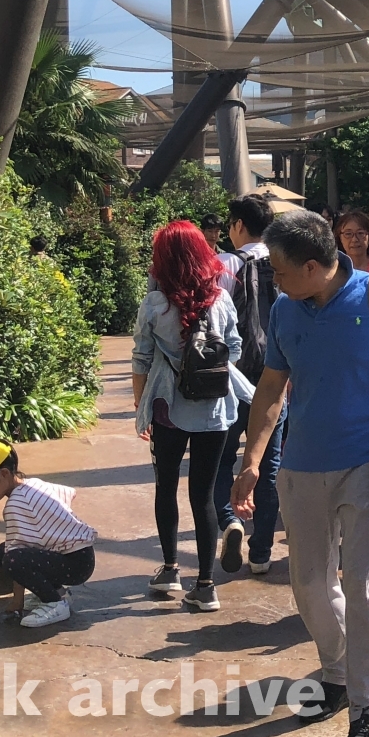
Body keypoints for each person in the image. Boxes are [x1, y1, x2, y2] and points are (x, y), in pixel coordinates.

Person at [232, 208, 369, 737]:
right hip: (300, 464)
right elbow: (271, 387)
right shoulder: (285, 309)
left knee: (363, 586)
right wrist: (252, 460)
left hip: (368, 464)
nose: (275, 280)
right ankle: (337, 670)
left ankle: (367, 710)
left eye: (280, 270)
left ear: (310, 266)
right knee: (308, 584)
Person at [131, 220, 256, 611]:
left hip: (168, 408)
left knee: (166, 486)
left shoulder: (155, 305)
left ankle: (170, 569)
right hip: (215, 407)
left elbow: (141, 359)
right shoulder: (221, 299)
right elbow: (235, 349)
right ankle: (205, 585)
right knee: (203, 494)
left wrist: (141, 407)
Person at [213, 194, 283, 575]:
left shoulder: (223, 265)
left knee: (220, 460)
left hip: (231, 378)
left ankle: (230, 521)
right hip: (276, 378)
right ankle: (261, 553)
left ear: (238, 225)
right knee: (268, 466)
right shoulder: (283, 263)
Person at [0, 439, 97, 629]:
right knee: (4, 552)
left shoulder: (15, 504)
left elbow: (16, 554)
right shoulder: (33, 484)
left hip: (74, 565)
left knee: (11, 560)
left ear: (4, 474)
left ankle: (54, 603)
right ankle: (56, 592)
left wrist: (16, 603)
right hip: (81, 557)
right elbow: (68, 493)